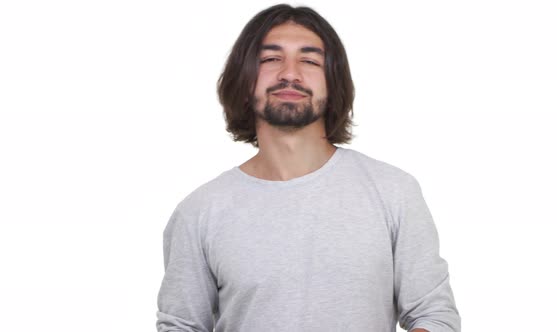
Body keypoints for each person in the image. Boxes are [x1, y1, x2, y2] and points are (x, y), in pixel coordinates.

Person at [156, 4, 460, 332]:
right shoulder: (199, 212)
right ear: (244, 81)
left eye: (310, 60)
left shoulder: (394, 191)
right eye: (271, 59)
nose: (290, 73)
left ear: (332, 84)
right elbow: (181, 326)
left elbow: (434, 315)